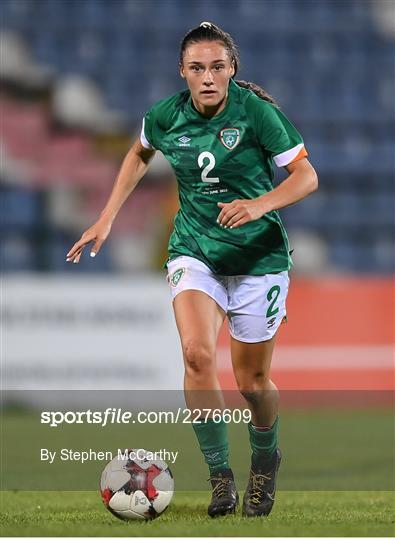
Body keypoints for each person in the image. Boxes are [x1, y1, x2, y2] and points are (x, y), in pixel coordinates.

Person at [67, 22, 318, 518]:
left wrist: (259, 204)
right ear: (182, 71)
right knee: (197, 354)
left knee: (252, 383)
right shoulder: (164, 115)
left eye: (218, 67)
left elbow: (306, 176)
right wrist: (106, 216)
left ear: (232, 70)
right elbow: (139, 152)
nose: (208, 77)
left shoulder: (258, 114)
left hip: (257, 260)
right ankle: (221, 477)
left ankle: (265, 459)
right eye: (197, 68)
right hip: (195, 251)